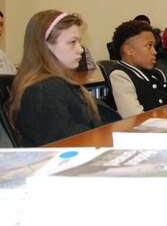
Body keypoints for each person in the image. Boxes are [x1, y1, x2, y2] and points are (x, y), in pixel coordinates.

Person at [8, 10, 120, 146]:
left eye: (79, 42)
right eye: (72, 42)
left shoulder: (57, 85)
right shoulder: (41, 91)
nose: (81, 49)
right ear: (45, 46)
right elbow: (68, 143)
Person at [109, 19, 167, 118]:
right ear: (129, 50)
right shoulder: (120, 76)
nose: (154, 52)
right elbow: (134, 118)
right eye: (149, 46)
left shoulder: (157, 74)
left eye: (154, 46)